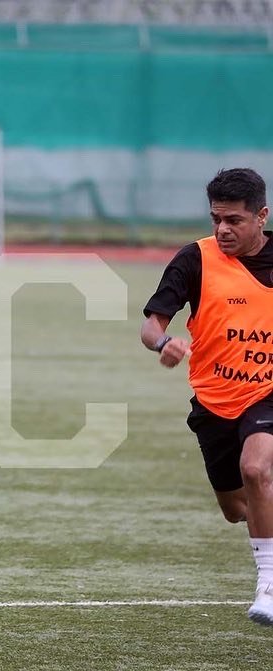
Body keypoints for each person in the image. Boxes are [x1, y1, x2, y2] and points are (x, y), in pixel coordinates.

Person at [141, 167, 273, 626]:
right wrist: (164, 343)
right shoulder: (195, 259)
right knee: (237, 509)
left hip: (267, 392)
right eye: (216, 218)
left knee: (256, 468)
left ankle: (268, 585)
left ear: (262, 216)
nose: (222, 229)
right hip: (215, 399)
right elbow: (150, 326)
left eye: (234, 220)